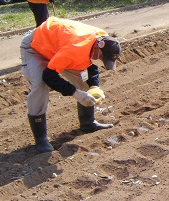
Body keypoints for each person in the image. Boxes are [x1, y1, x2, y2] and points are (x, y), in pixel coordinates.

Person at [20, 17, 121, 153]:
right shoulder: (75, 47)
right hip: (36, 47)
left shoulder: (101, 39)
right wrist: (77, 94)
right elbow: (49, 76)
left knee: (85, 84)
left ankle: (88, 123)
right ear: (98, 48)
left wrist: (94, 87)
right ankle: (41, 139)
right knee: (40, 85)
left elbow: (91, 65)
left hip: (60, 48)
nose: (102, 62)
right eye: (103, 58)